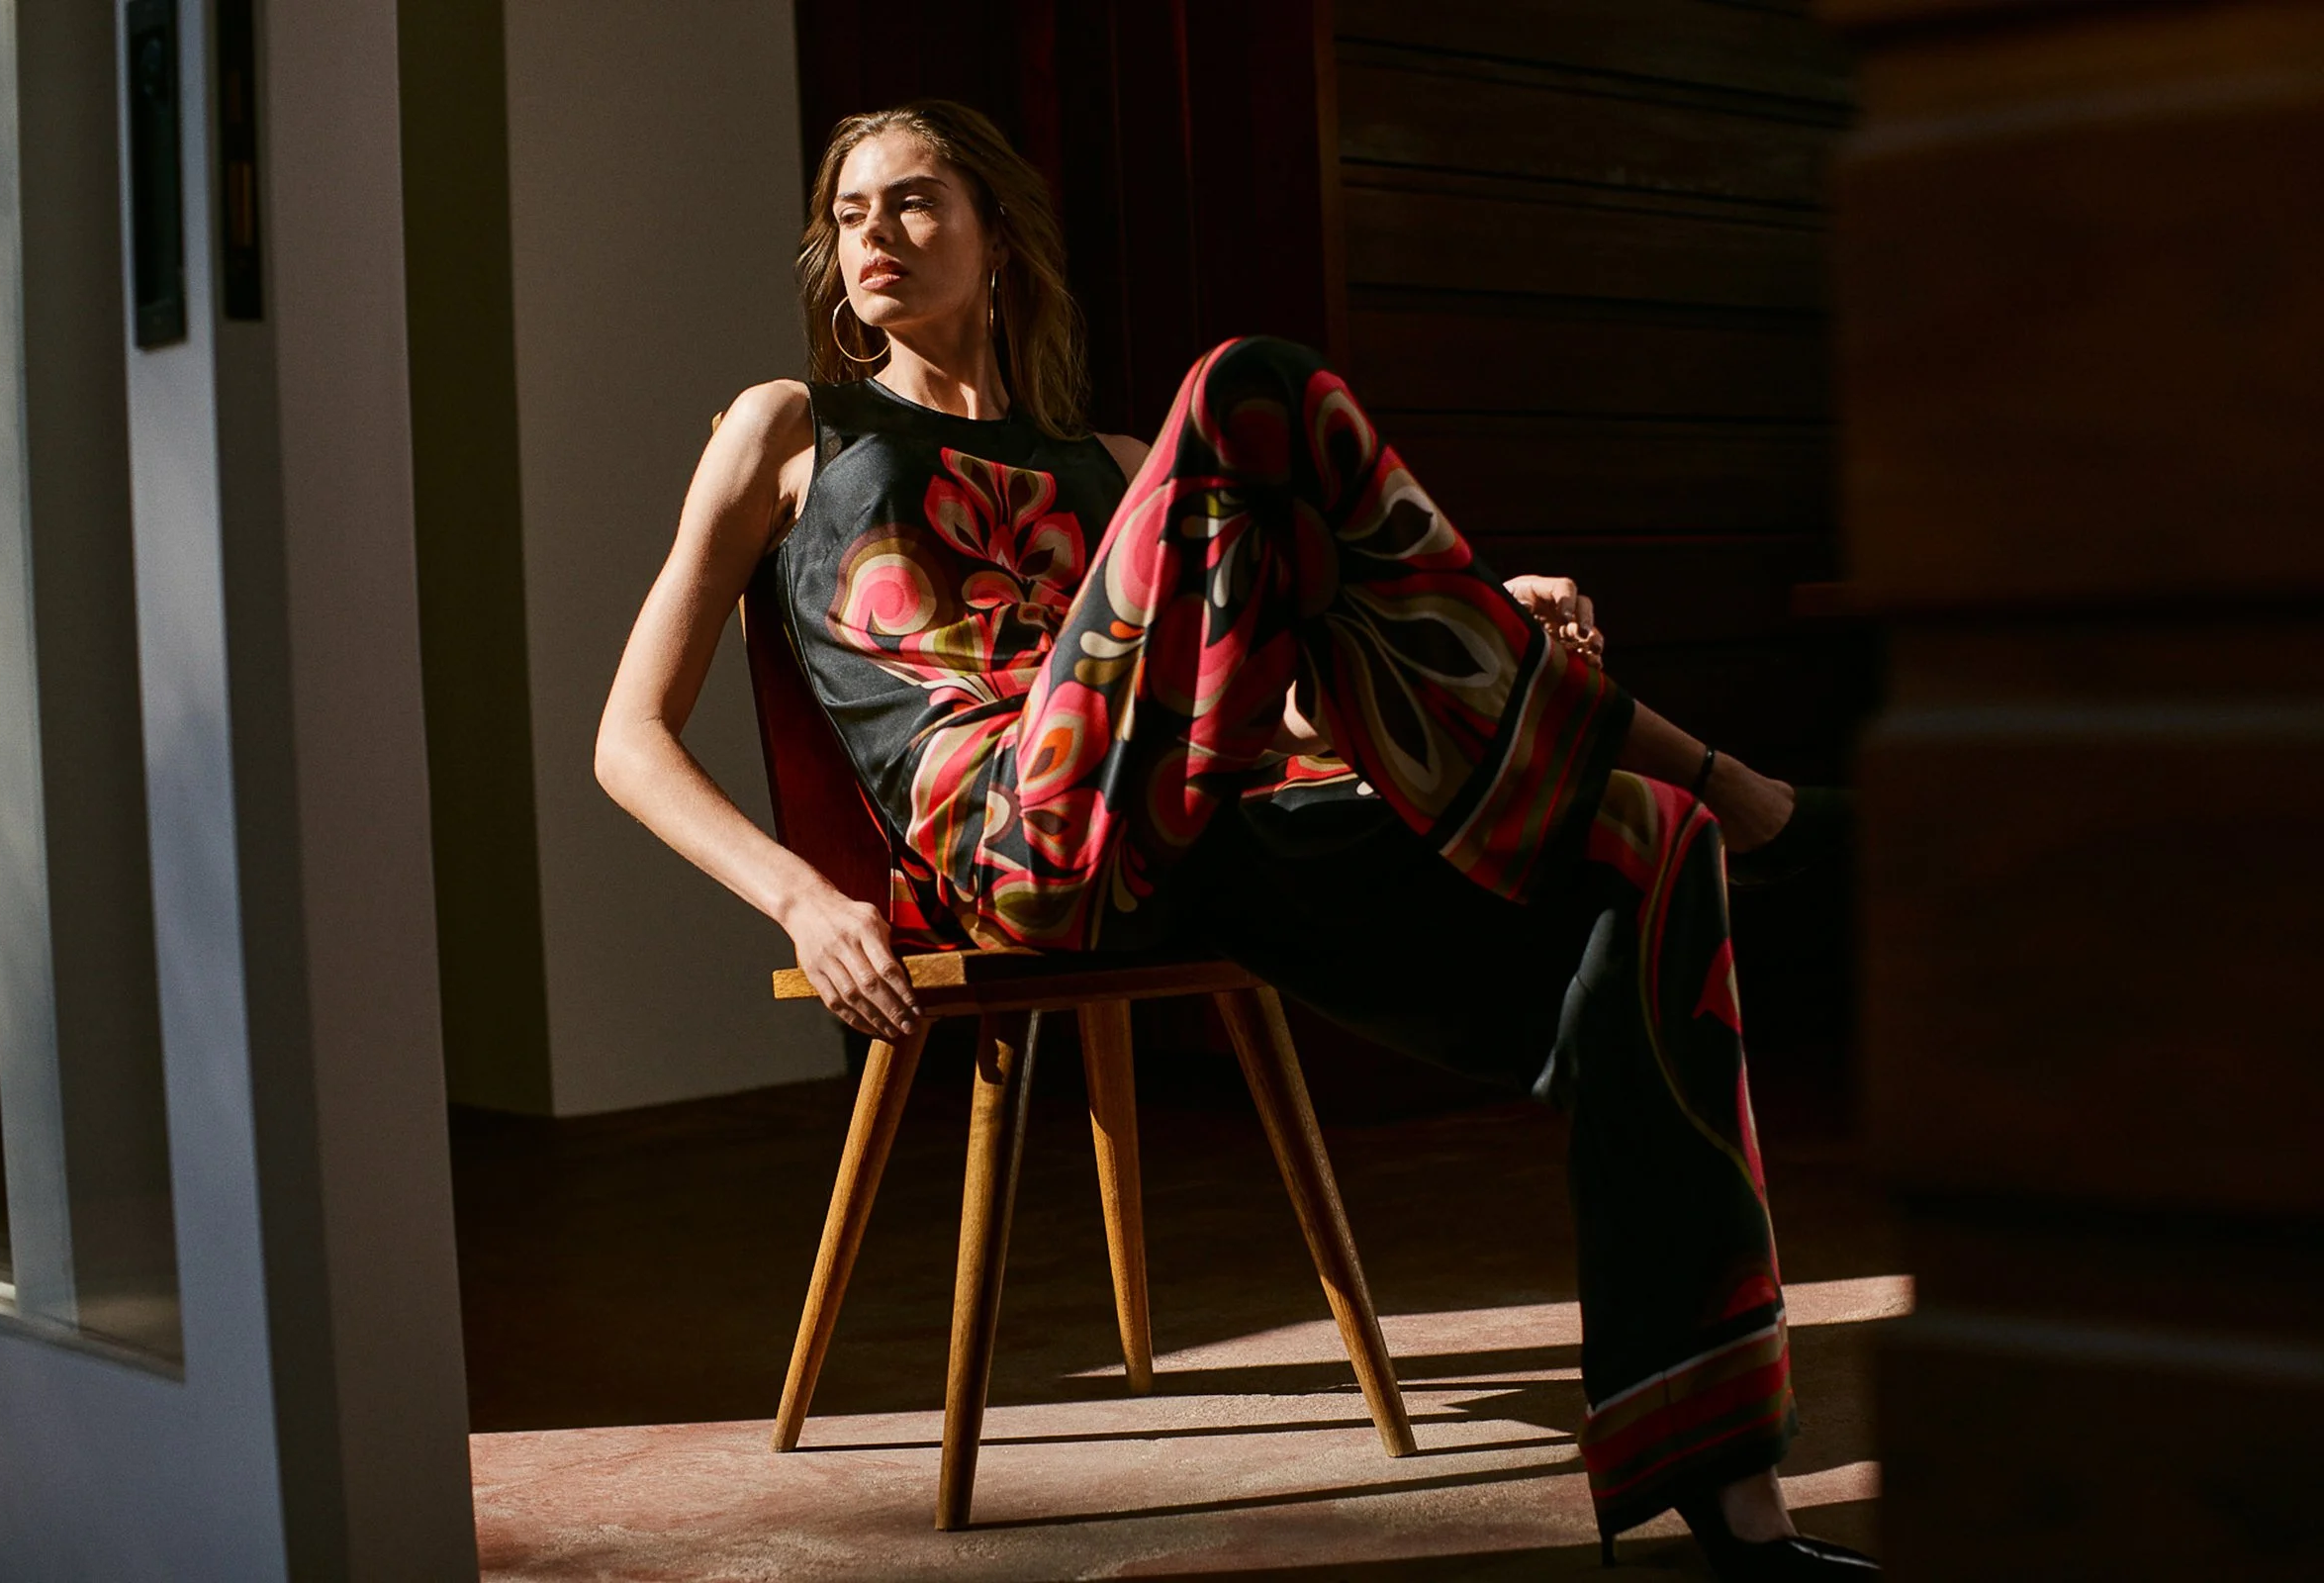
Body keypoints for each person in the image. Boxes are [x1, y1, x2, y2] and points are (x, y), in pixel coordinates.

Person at [596, 99, 1872, 1579]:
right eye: (851, 213)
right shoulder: (791, 428)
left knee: (1647, 850)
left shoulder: (1115, 463)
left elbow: (1291, 726)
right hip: (1018, 844)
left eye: (915, 202)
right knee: (1253, 387)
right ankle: (1749, 789)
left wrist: (1490, 631)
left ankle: (1729, 1503)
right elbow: (629, 732)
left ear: (1000, 235)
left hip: (1192, 831)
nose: (872, 234)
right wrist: (802, 902)